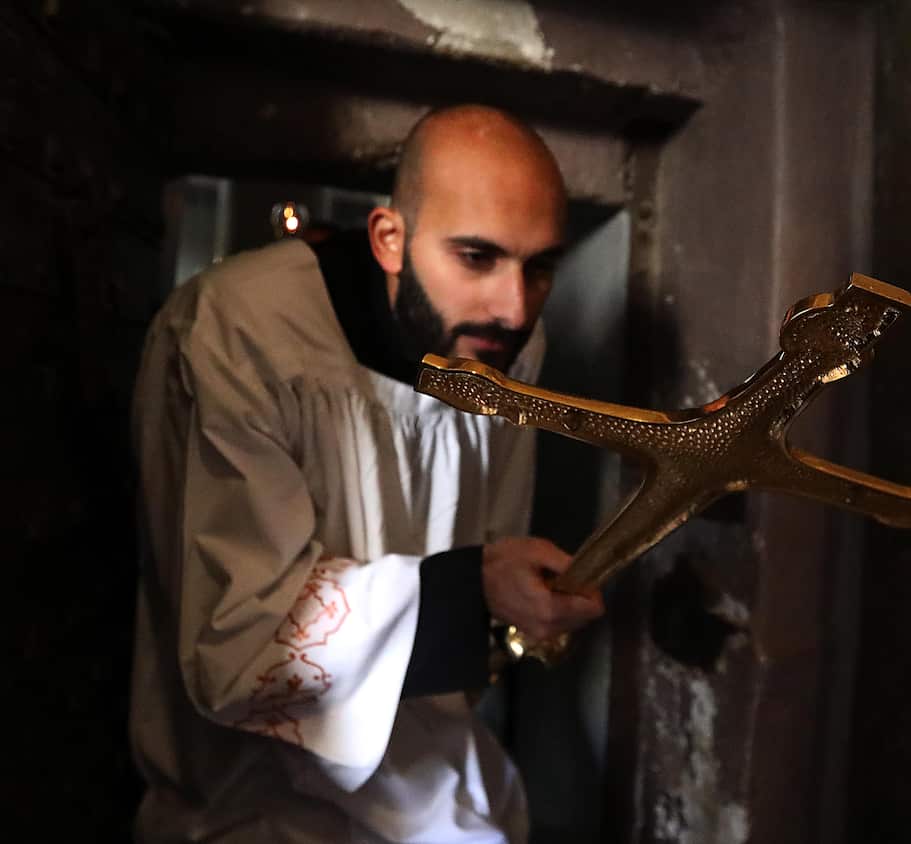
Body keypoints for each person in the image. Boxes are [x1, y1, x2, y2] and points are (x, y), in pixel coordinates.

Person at [129, 105, 605, 843]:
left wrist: (510, 597)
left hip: (434, 779)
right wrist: (474, 584)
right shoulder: (240, 328)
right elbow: (233, 643)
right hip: (243, 798)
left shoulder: (509, 344)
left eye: (539, 267)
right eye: (476, 257)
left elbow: (494, 535)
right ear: (389, 239)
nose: (514, 308)